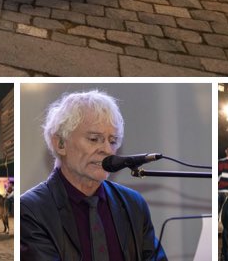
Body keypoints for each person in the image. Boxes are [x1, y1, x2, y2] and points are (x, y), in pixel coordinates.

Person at [20, 90, 167, 261]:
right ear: (60, 143)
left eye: (112, 141)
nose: (106, 149)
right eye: (94, 139)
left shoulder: (133, 204)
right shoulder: (31, 210)